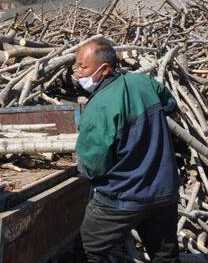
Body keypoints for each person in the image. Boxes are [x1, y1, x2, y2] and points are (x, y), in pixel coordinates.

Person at [74, 39, 180, 263]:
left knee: (87, 251)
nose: (77, 73)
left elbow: (92, 167)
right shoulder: (145, 82)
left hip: (122, 197)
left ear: (104, 69)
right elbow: (170, 107)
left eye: (83, 67)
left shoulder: (98, 107)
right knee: (165, 257)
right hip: (164, 192)